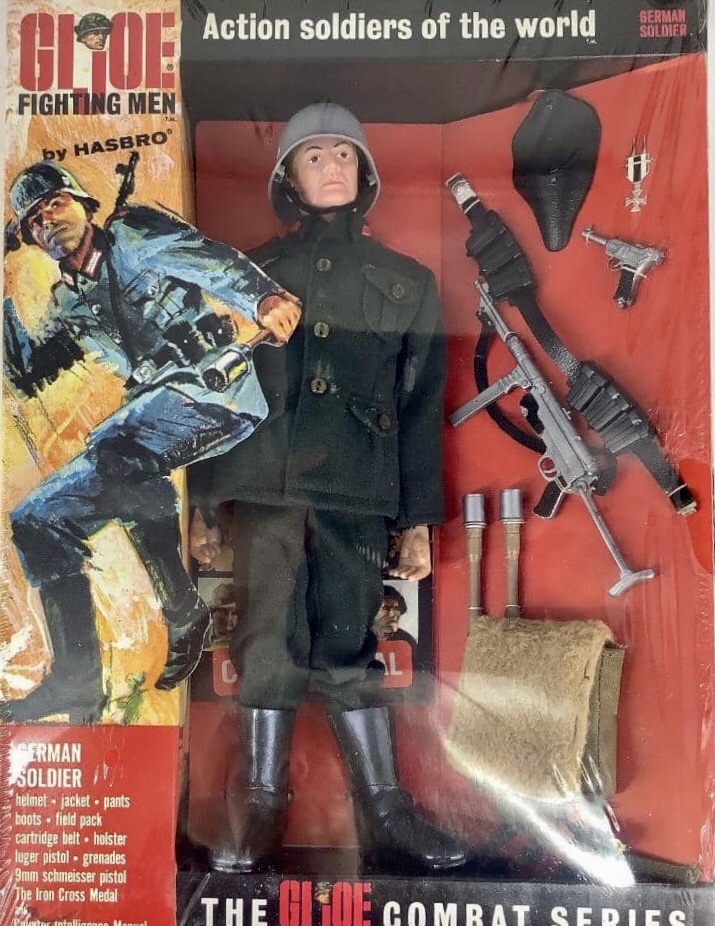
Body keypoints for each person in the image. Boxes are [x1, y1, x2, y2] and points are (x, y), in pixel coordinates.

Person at [189, 103, 469, 873]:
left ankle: (386, 808)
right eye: (314, 156)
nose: (333, 167)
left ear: (366, 173)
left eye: (345, 154)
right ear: (287, 176)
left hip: (357, 489)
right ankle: (260, 800)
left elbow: (420, 409)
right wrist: (202, 504)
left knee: (349, 641)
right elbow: (211, 391)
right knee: (266, 639)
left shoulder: (406, 284)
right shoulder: (247, 278)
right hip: (267, 487)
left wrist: (417, 519)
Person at [2, 159, 300, 725]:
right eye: (34, 220)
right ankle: (76, 683)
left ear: (83, 203)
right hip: (149, 417)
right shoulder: (66, 301)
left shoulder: (132, 233)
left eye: (55, 204)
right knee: (37, 518)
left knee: (116, 448)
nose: (47, 222)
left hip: (215, 390)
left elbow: (208, 260)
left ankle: (182, 608)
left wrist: (262, 298)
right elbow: (25, 374)